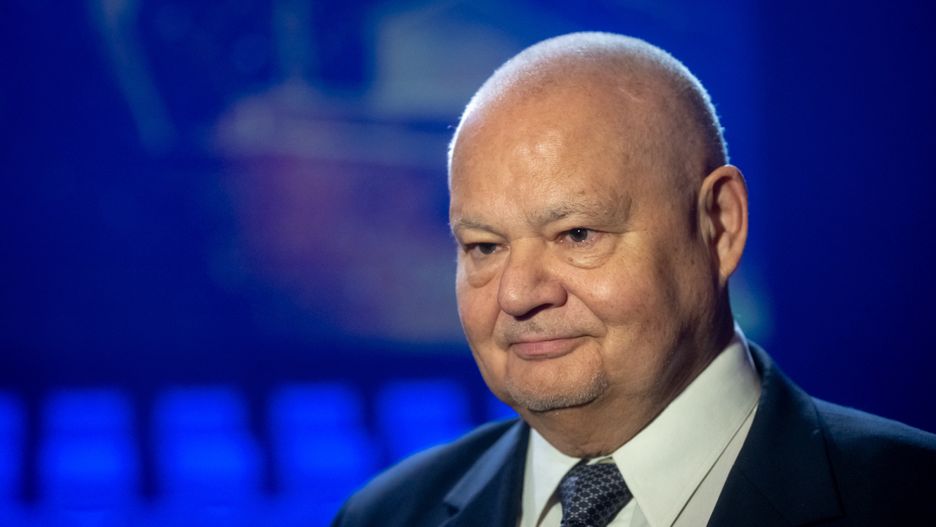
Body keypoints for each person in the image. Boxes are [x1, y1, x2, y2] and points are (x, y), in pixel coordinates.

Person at [332, 32, 936, 526]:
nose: (517, 295)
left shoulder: (909, 499)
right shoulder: (383, 516)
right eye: (484, 247)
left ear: (720, 225)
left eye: (577, 235)